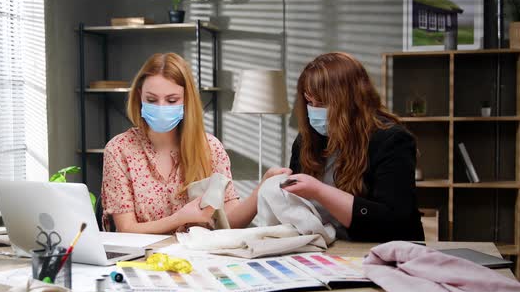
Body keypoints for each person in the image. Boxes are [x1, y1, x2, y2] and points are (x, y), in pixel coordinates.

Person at [101, 53, 260, 233]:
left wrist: (259, 193)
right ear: (139, 96)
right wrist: (180, 218)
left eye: (172, 100)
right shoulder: (119, 150)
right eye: (152, 100)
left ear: (186, 100)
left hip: (201, 259)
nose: (161, 107)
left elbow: (230, 223)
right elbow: (126, 230)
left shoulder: (210, 148)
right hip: (145, 259)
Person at [278, 52, 424, 242]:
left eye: (321, 102)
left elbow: (393, 221)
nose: (313, 110)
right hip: (325, 249)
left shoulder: (392, 141)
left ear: (350, 101)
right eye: (309, 101)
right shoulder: (306, 142)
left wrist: (319, 191)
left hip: (379, 248)